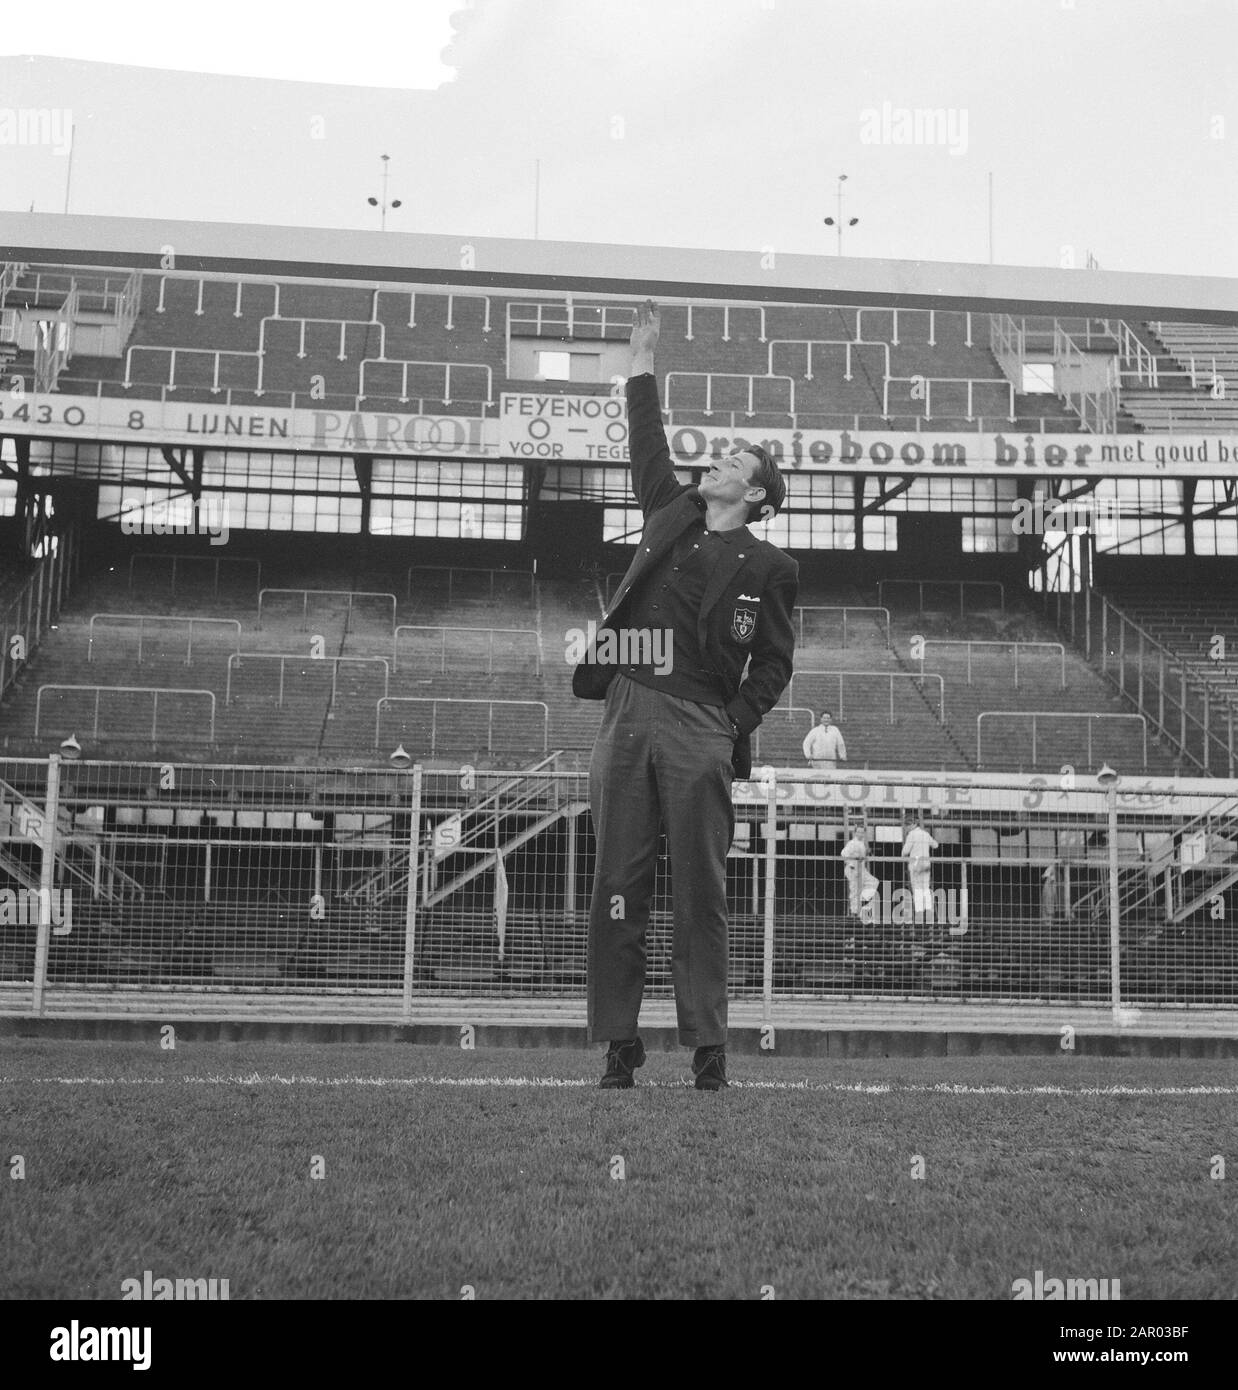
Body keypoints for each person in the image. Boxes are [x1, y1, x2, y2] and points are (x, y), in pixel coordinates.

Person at [573, 299, 797, 1091]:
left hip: (702, 724)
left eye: (736, 459)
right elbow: (646, 439)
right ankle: (618, 1044)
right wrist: (641, 360)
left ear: (759, 494)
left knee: (702, 888)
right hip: (628, 708)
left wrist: (731, 721)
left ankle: (707, 1045)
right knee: (617, 886)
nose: (720, 460)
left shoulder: (771, 568)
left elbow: (774, 664)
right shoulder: (669, 510)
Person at [901, 816, 939, 920]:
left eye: (907, 826)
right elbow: (935, 845)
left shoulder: (911, 835)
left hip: (916, 863)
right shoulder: (925, 834)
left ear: (911, 825)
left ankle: (919, 911)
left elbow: (905, 851)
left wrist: (903, 855)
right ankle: (929, 909)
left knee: (917, 888)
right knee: (925, 887)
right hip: (926, 863)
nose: (906, 828)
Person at [840, 824, 879, 921]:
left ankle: (861, 902)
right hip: (853, 868)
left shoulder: (861, 843)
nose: (860, 834)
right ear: (855, 832)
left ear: (864, 833)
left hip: (861, 869)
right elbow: (843, 853)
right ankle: (854, 912)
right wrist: (852, 862)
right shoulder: (852, 843)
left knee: (873, 882)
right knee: (854, 890)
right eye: (858, 832)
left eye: (862, 832)